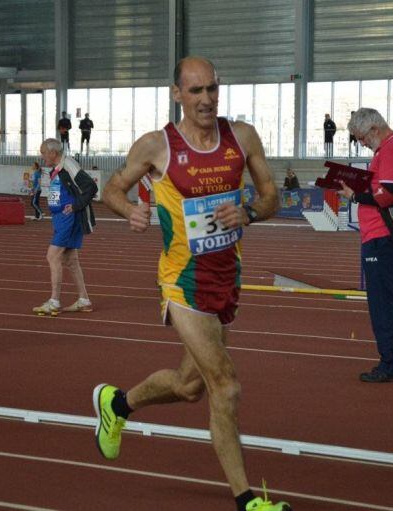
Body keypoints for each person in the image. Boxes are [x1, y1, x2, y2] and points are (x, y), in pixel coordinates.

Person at [97, 57, 289, 511]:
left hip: (226, 277)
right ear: (177, 94)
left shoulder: (241, 138)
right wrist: (131, 211)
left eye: (212, 90)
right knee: (225, 385)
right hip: (181, 281)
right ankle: (247, 501)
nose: (206, 99)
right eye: (196, 91)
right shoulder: (156, 146)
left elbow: (272, 197)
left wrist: (250, 213)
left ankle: (117, 406)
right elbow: (111, 189)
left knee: (189, 386)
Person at [337, 107, 393, 383]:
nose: (362, 144)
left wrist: (354, 194)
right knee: (391, 300)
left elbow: (386, 195)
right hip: (385, 235)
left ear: (374, 129)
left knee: (382, 303)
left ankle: (392, 362)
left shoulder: (392, 148)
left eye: (361, 138)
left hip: (382, 236)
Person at [32, 138, 97, 315]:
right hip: (62, 218)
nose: (42, 156)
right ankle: (83, 299)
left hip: (69, 219)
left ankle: (54, 301)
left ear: (53, 152)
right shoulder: (58, 167)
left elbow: (91, 186)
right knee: (70, 260)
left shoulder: (68, 164)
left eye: (43, 152)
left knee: (52, 256)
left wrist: (75, 206)